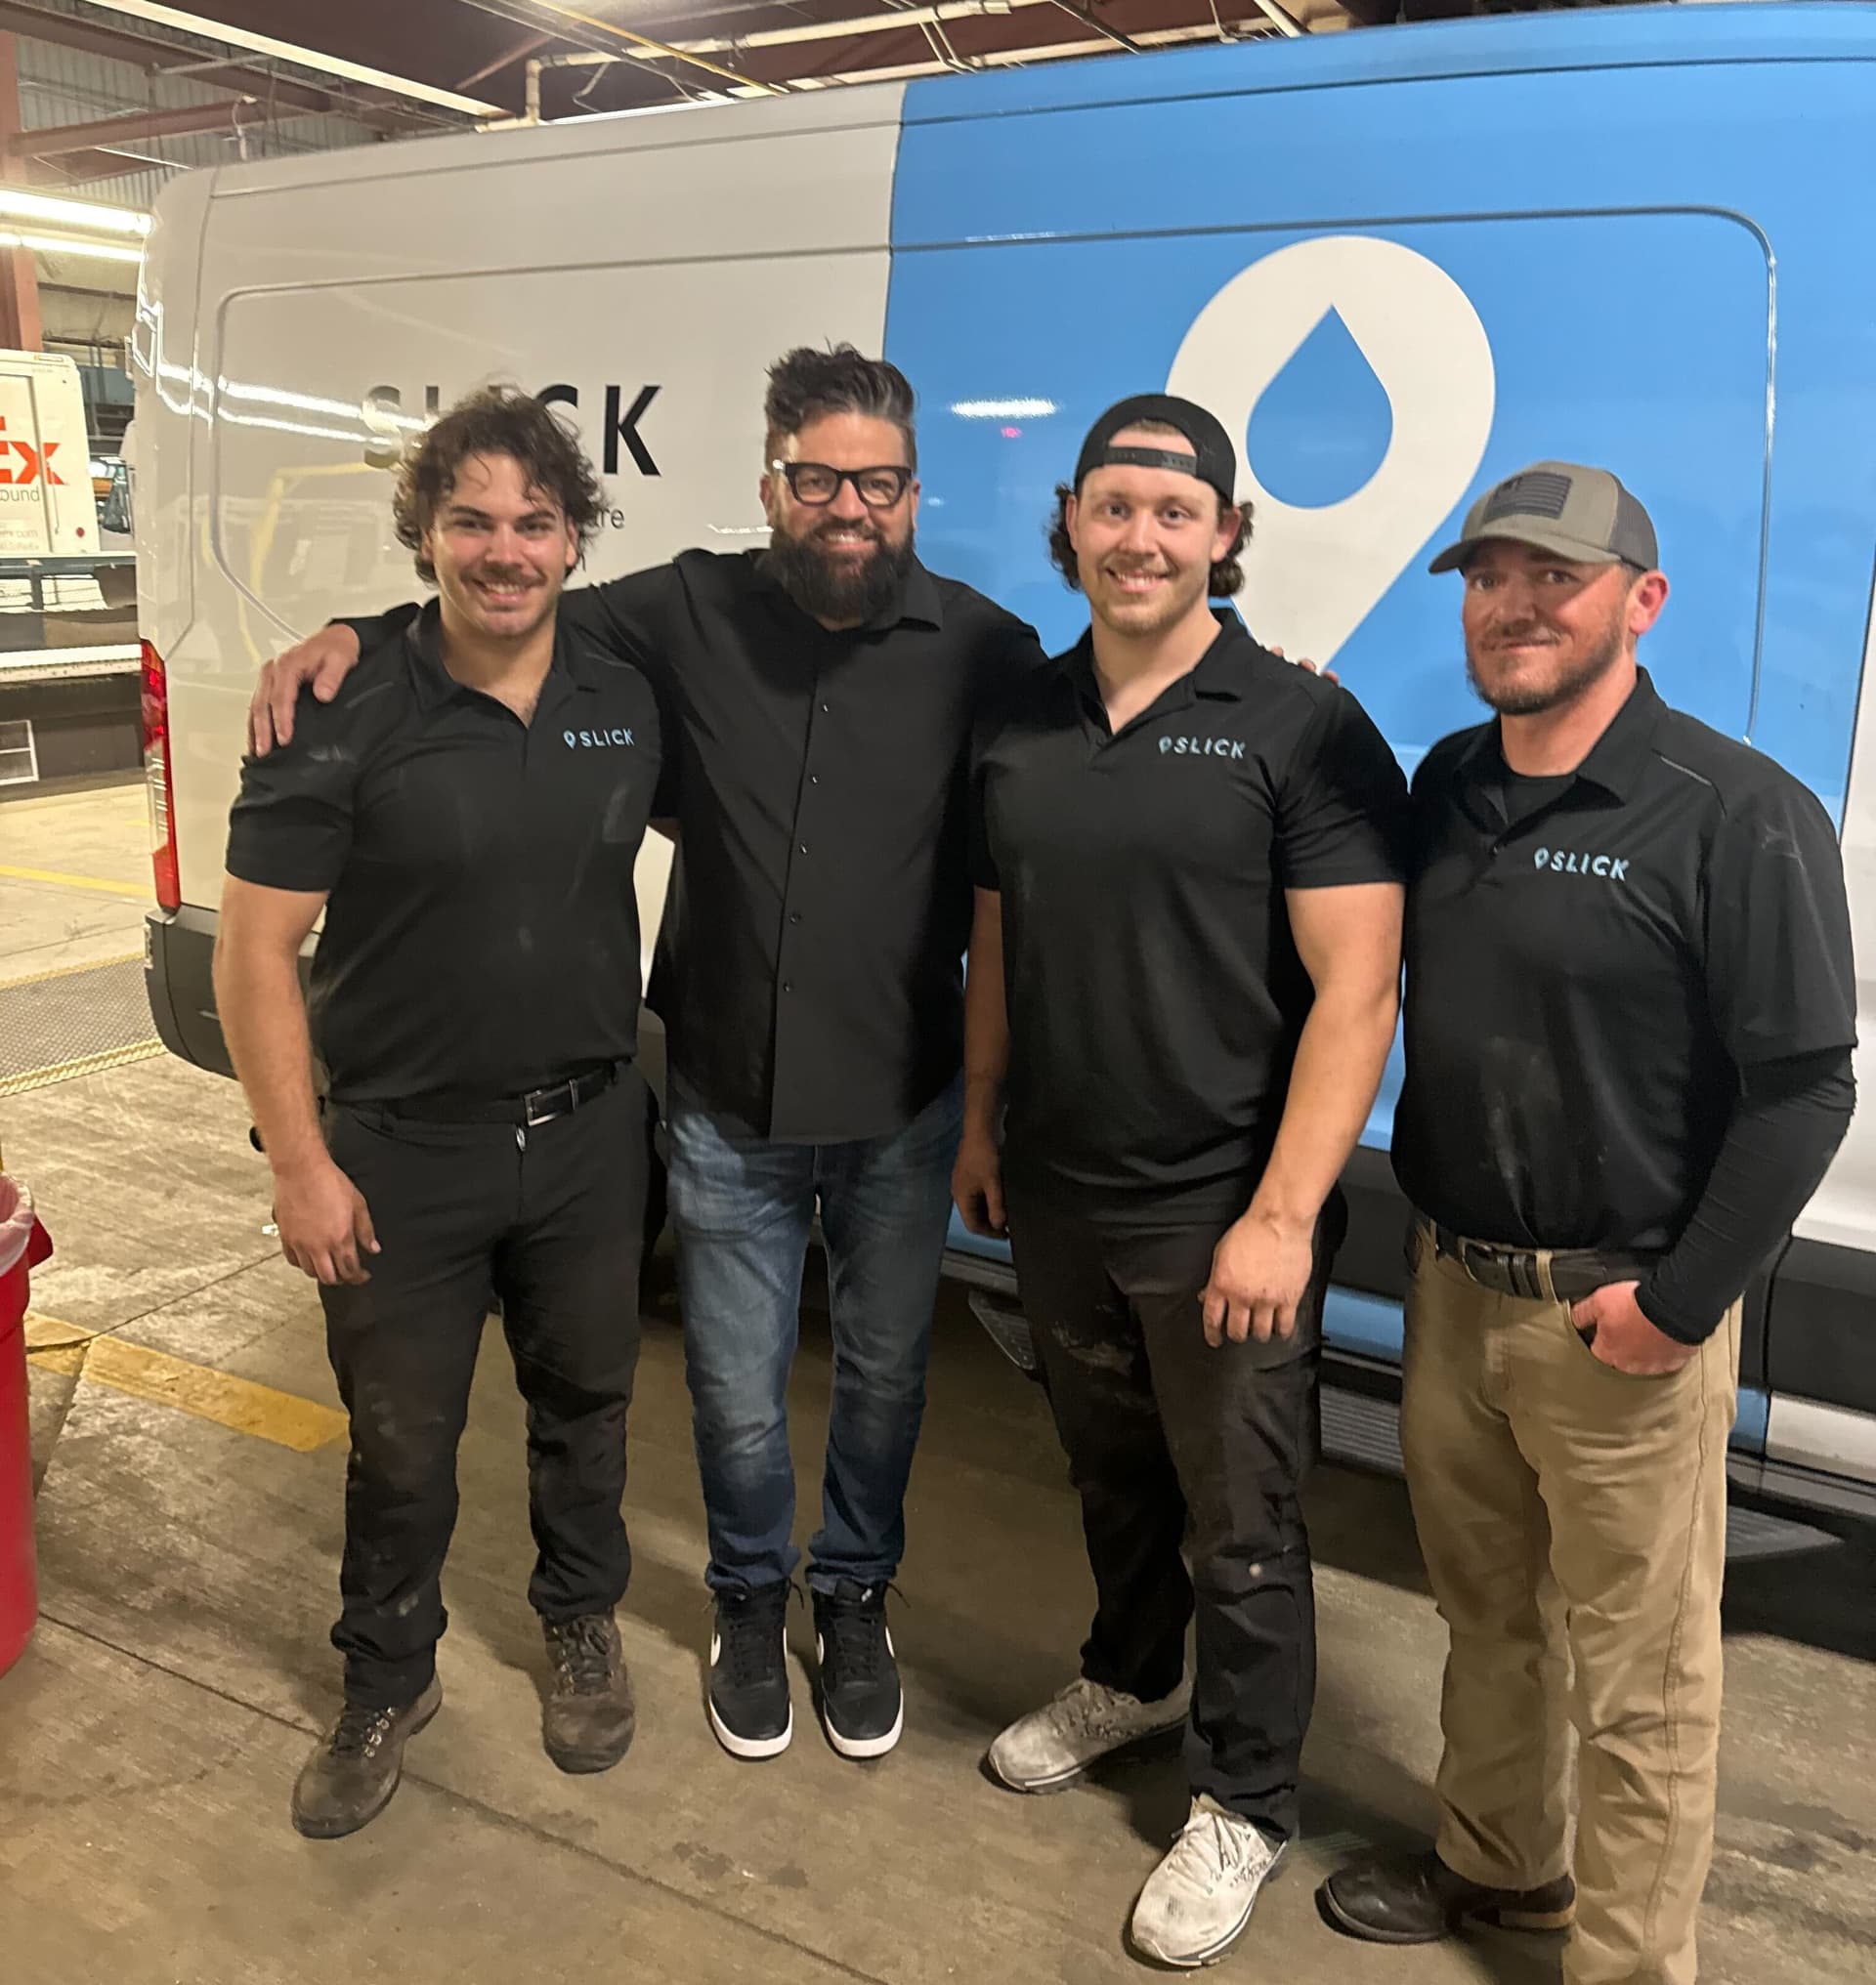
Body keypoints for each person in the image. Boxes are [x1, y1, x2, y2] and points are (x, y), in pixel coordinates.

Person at [245, 347, 1044, 1764]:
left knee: (882, 1383)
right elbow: (490, 607)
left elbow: (1080, 755)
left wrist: (1257, 675)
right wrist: (348, 634)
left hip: (900, 1102)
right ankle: (745, 1604)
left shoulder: (987, 650)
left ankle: (852, 1596)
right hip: (725, 1097)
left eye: (875, 482)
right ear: (771, 486)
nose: (845, 506)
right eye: (816, 478)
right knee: (730, 1395)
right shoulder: (673, 614)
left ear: (913, 495)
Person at [1318, 463, 1856, 1985]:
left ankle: (1630, 1967)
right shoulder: (1450, 787)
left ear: (1642, 600)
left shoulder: (1734, 814)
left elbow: (1807, 1091)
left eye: (1555, 575)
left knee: (1646, 1683)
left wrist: (1678, 1308)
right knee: (1489, 1616)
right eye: (1491, 577)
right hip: (1452, 1287)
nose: (1518, 605)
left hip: (1615, 1321)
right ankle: (1500, 1871)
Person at [953, 395, 1409, 1968]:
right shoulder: (1017, 714)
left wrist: (1283, 1216)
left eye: (1176, 510)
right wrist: (982, 1117)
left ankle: (1248, 1798)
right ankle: (1134, 1676)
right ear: (1071, 520)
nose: (1140, 537)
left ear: (1224, 535)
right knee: (1112, 1472)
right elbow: (1001, 925)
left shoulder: (1302, 726)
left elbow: (1359, 989)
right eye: (1114, 506)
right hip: (1063, 1189)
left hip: (1223, 1205)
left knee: (1248, 1522)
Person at [216, 387, 664, 1837]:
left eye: (533, 521)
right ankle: (384, 1676)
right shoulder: (337, 704)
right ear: (422, 535)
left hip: (592, 1134)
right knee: (401, 1440)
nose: (503, 550)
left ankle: (579, 1624)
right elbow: (252, 951)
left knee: (586, 1406)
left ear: (574, 539)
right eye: (469, 519)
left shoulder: (621, 683)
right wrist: (301, 1164)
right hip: (403, 1149)